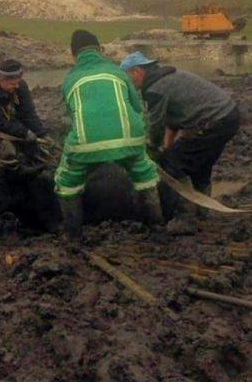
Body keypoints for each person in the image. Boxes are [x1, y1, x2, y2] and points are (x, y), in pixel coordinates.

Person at [55, 30, 161, 240]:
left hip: (86, 145)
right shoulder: (118, 73)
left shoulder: (70, 80)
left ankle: (74, 237)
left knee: (66, 182)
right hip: (130, 139)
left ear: (73, 55)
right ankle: (157, 228)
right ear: (100, 50)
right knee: (145, 173)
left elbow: (73, 115)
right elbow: (137, 108)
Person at [120, 51, 240, 234]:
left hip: (214, 121)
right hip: (228, 116)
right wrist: (168, 147)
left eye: (127, 78)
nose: (128, 84)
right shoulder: (169, 76)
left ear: (137, 71)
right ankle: (202, 211)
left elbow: (156, 127)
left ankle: (185, 218)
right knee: (199, 165)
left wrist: (153, 151)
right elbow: (173, 120)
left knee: (173, 166)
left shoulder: (155, 89)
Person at [0, 58, 45, 149]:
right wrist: (24, 132)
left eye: (18, 82)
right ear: (1, 80)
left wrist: (40, 133)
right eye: (13, 84)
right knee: (5, 147)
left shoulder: (19, 85)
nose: (17, 86)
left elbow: (28, 112)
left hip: (2, 109)